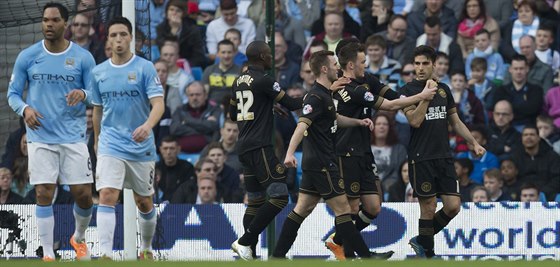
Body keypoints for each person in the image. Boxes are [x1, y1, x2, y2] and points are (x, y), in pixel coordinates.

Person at [273, 50, 393, 260]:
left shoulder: (324, 94)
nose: (338, 67)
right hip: (322, 162)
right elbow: (302, 124)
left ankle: (277, 256)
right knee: (344, 210)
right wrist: (290, 153)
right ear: (324, 69)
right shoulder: (316, 96)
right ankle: (366, 257)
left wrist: (358, 122)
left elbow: (335, 118)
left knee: (302, 209)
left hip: (315, 162)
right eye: (334, 63)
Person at [325, 42, 435, 260]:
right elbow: (389, 106)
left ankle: (337, 241)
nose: (366, 65)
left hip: (364, 151)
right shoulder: (348, 89)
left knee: (373, 207)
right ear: (350, 65)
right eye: (362, 62)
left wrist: (409, 103)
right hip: (346, 152)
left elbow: (393, 96)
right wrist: (423, 96)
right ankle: (352, 254)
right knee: (352, 207)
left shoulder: (366, 80)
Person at [7, 2, 95, 262]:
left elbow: (96, 94)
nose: (49, 24)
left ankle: (78, 238)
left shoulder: (83, 57)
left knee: (84, 195)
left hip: (73, 136)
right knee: (43, 191)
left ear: (65, 24)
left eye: (54, 20)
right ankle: (47, 253)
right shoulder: (28, 56)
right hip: (40, 136)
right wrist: (25, 110)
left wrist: (84, 93)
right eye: (45, 20)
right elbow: (12, 94)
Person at [90, 17, 165, 260]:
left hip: (140, 145)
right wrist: (97, 138)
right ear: (108, 39)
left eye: (123, 34)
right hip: (111, 142)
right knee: (107, 194)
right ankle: (105, 253)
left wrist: (147, 125)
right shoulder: (98, 72)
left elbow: (158, 104)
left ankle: (146, 248)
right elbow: (98, 110)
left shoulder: (145, 68)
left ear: (131, 37)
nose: (119, 39)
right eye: (114, 35)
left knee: (144, 201)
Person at [401, 45, 485, 258]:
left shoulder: (444, 90)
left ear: (434, 65)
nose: (420, 68)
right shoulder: (407, 91)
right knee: (428, 207)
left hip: (444, 157)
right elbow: (415, 120)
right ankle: (427, 254)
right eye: (417, 64)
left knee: (453, 206)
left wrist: (473, 143)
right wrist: (426, 96)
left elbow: (455, 122)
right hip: (421, 158)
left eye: (425, 64)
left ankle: (421, 240)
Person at [229, 41, 304, 260]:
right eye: (269, 55)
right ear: (262, 56)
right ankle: (244, 241)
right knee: (280, 196)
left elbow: (233, 115)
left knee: (255, 201)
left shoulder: (238, 81)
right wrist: (319, 96)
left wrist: (264, 107)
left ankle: (249, 253)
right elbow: (290, 103)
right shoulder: (264, 80)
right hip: (260, 146)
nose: (271, 58)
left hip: (243, 146)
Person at [156, 135, 196, 202]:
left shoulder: (187, 168)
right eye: (165, 148)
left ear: (178, 149)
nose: (168, 152)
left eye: (172, 148)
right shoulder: (155, 168)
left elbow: (190, 191)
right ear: (160, 150)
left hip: (181, 206)